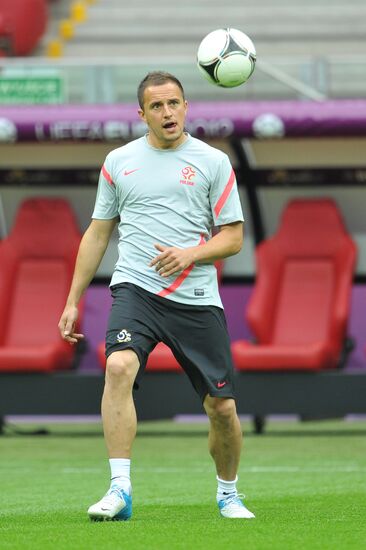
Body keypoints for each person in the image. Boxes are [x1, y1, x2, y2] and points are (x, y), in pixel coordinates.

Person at [58, 71, 255, 521]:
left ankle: (228, 493)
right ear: (142, 113)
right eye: (158, 106)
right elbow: (98, 233)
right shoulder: (119, 161)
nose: (168, 113)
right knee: (118, 365)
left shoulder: (213, 161)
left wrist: (191, 254)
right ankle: (119, 490)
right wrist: (72, 300)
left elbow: (233, 238)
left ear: (186, 107)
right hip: (136, 289)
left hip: (197, 295)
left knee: (221, 408)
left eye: (174, 104)